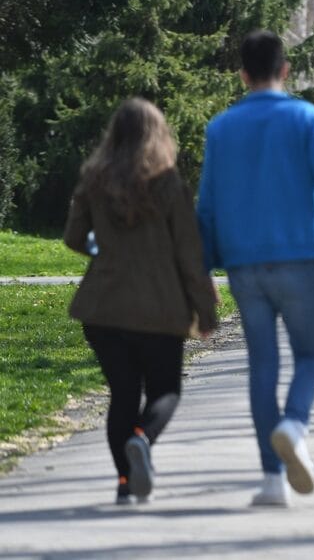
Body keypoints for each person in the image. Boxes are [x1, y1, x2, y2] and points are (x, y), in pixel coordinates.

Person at [196, 30, 314, 507]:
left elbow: (206, 205)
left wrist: (202, 270)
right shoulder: (306, 117)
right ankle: (294, 425)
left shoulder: (221, 127)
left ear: (243, 73)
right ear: (286, 70)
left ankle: (273, 481)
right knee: (310, 357)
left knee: (261, 367)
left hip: (243, 264)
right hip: (298, 259)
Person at [63, 98, 218, 505]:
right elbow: (189, 253)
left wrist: (105, 249)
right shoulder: (169, 185)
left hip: (104, 307)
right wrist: (206, 310)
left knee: (123, 395)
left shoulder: (93, 181)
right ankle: (142, 439)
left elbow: (73, 238)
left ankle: (125, 483)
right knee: (165, 391)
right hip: (160, 308)